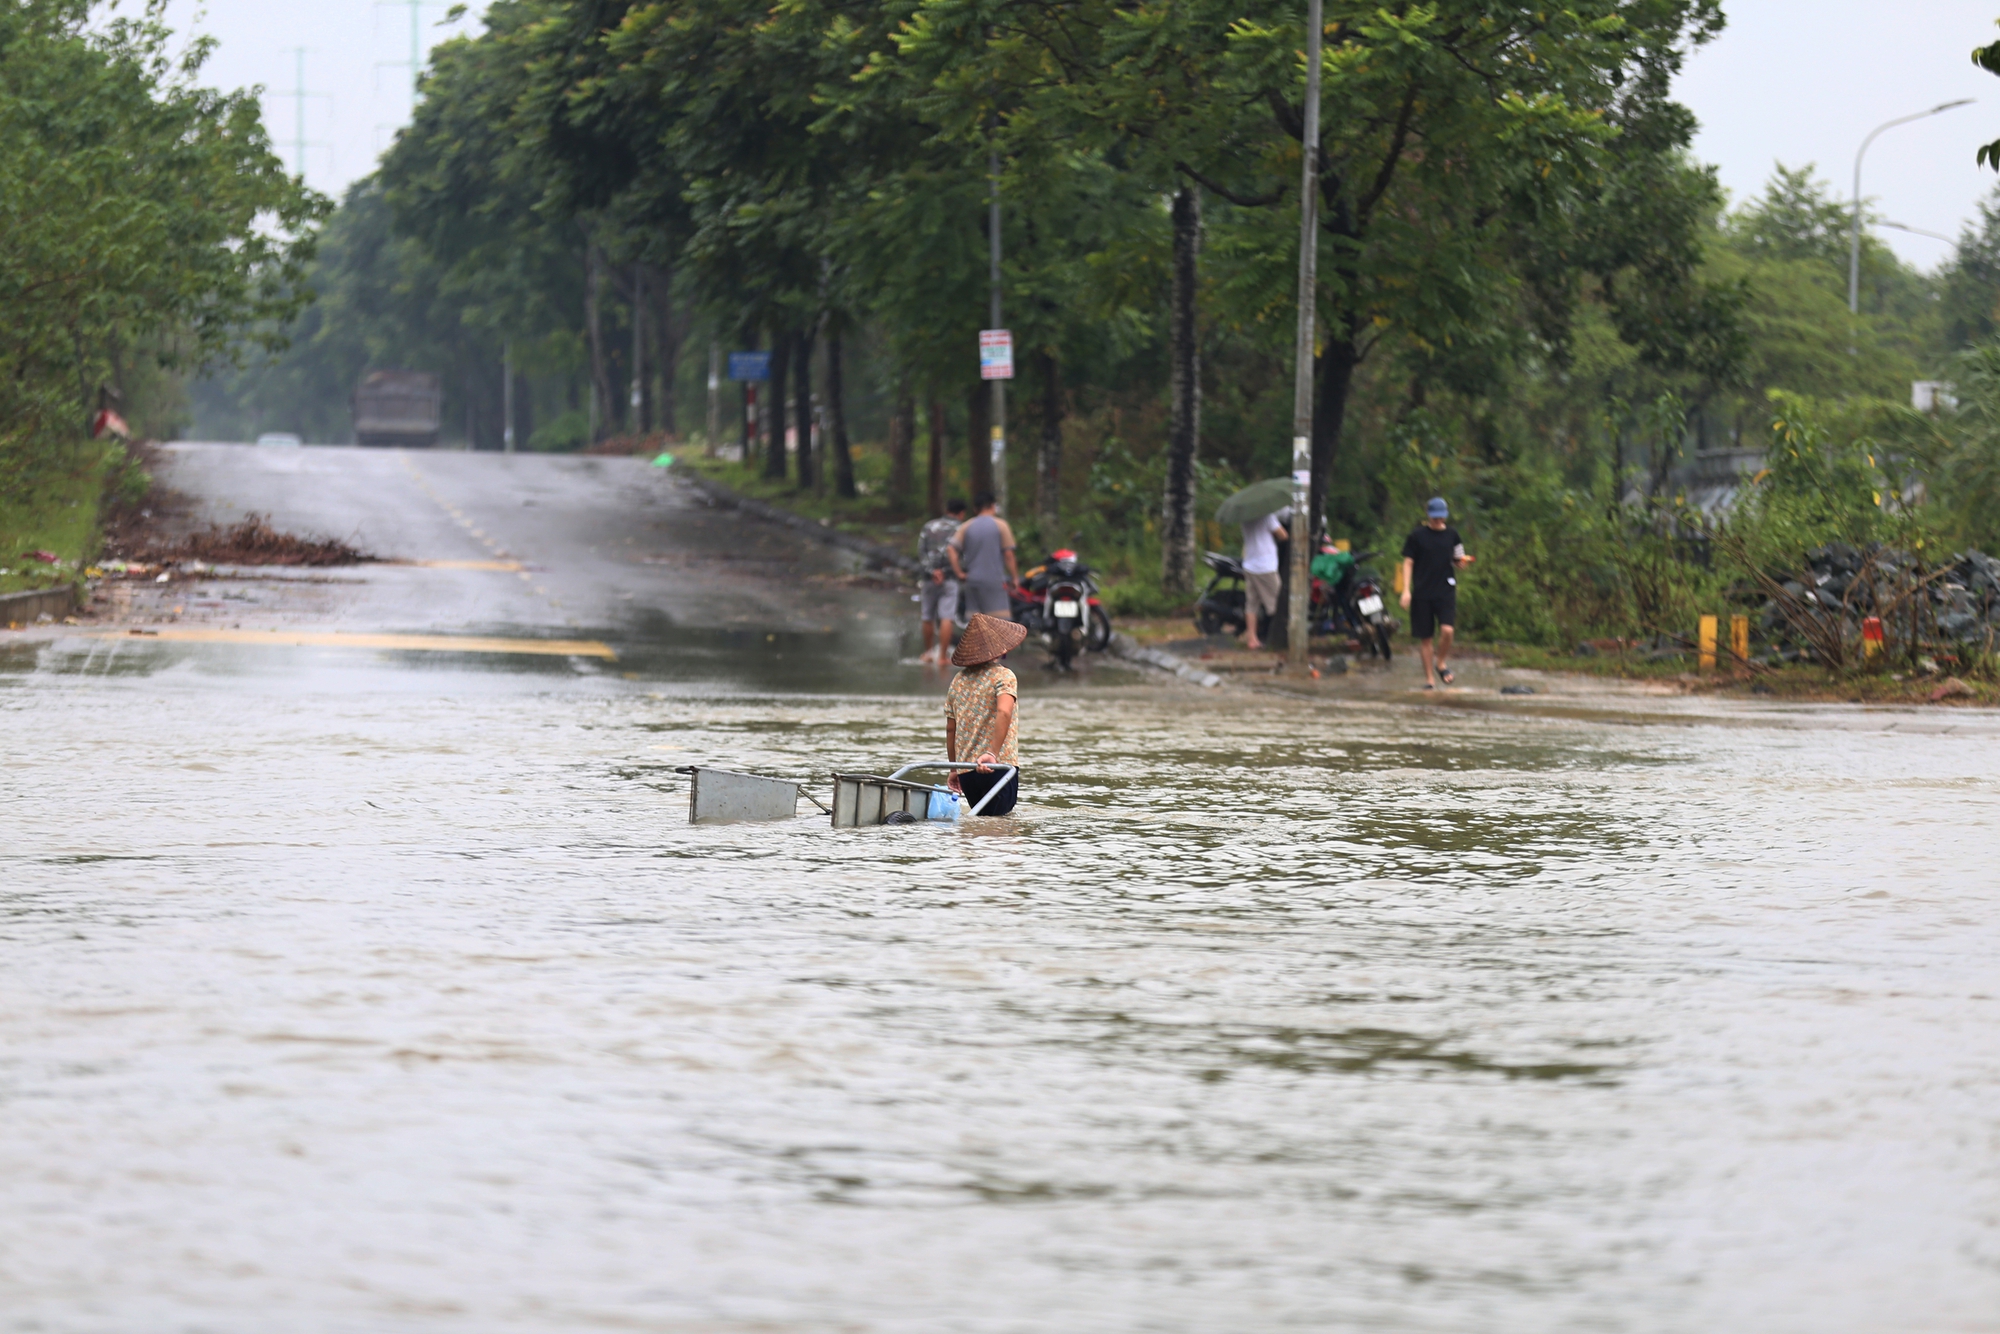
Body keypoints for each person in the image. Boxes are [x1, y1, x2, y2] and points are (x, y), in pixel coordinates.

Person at [944, 612, 1025, 816]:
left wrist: (955, 768)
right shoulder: (1003, 676)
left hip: (967, 771)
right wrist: (992, 754)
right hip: (997, 767)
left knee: (980, 829)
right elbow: (1004, 711)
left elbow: (950, 729)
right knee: (999, 834)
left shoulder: (958, 681)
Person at [1400, 497, 1473, 688]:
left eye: (1441, 518)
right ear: (1428, 516)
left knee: (1448, 630)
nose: (1438, 521)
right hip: (1422, 591)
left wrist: (1462, 563)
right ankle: (1429, 679)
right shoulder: (1417, 536)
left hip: (1445, 589)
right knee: (1426, 638)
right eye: (1435, 518)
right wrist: (1406, 590)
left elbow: (1458, 560)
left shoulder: (1453, 535)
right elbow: (1408, 562)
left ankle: (1440, 662)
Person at [947, 491, 1020, 620]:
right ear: (993, 506)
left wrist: (959, 573)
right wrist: (1014, 577)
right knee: (999, 624)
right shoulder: (1001, 525)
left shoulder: (966, 526)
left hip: (972, 580)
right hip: (994, 581)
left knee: (975, 624)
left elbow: (951, 548)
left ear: (975, 509)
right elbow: (1008, 554)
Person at [916, 498, 967, 664]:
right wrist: (946, 572)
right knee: (947, 616)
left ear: (947, 509)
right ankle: (943, 656)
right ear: (961, 513)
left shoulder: (929, 526)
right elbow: (964, 556)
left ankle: (928, 653)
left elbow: (921, 553)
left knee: (927, 615)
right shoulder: (962, 529)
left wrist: (933, 571)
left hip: (929, 578)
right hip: (950, 578)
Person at [1240, 507, 1288, 650]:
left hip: (1250, 564)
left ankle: (1252, 639)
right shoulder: (1267, 517)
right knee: (1278, 603)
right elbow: (1283, 535)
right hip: (1265, 566)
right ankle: (1278, 637)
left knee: (1252, 604)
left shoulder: (1244, 519)